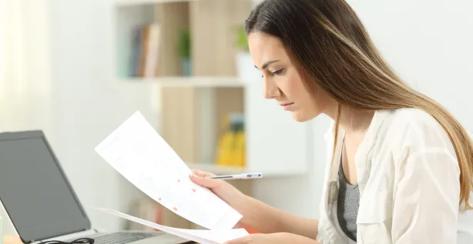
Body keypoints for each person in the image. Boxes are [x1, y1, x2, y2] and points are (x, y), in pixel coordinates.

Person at [190, 0, 473, 243]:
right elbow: (339, 238)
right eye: (261, 74)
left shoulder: (414, 135)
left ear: (323, 56)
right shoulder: (339, 133)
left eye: (276, 70)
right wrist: (241, 206)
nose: (268, 92)